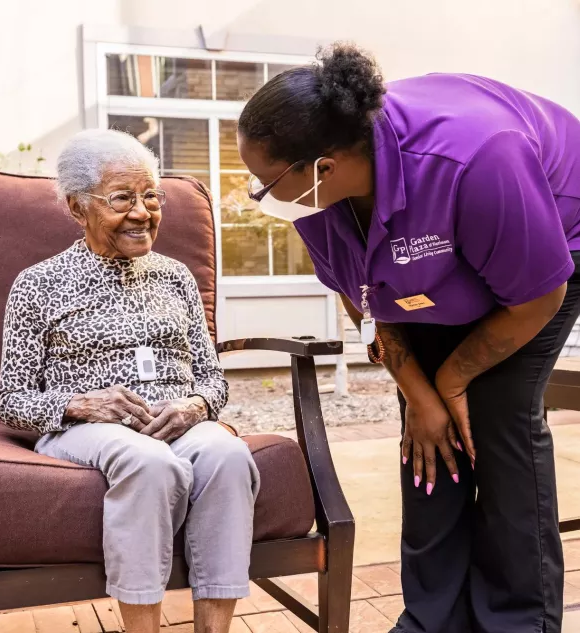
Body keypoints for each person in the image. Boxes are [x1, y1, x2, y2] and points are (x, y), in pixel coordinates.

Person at [237, 43, 580, 633]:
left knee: (495, 418)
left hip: (545, 249)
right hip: (429, 272)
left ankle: (521, 621)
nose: (257, 193)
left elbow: (536, 297)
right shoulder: (317, 204)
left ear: (323, 166)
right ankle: (431, 617)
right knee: (426, 436)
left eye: (265, 183)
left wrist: (450, 378)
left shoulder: (476, 157)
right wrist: (420, 396)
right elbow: (364, 299)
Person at [0, 129, 260, 633]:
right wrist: (81, 404)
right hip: (86, 429)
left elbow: (212, 380)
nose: (142, 212)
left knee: (227, 455)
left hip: (175, 421)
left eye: (151, 196)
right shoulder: (38, 284)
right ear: (78, 208)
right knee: (148, 461)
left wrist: (195, 407)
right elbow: (11, 399)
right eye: (122, 198)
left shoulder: (176, 277)